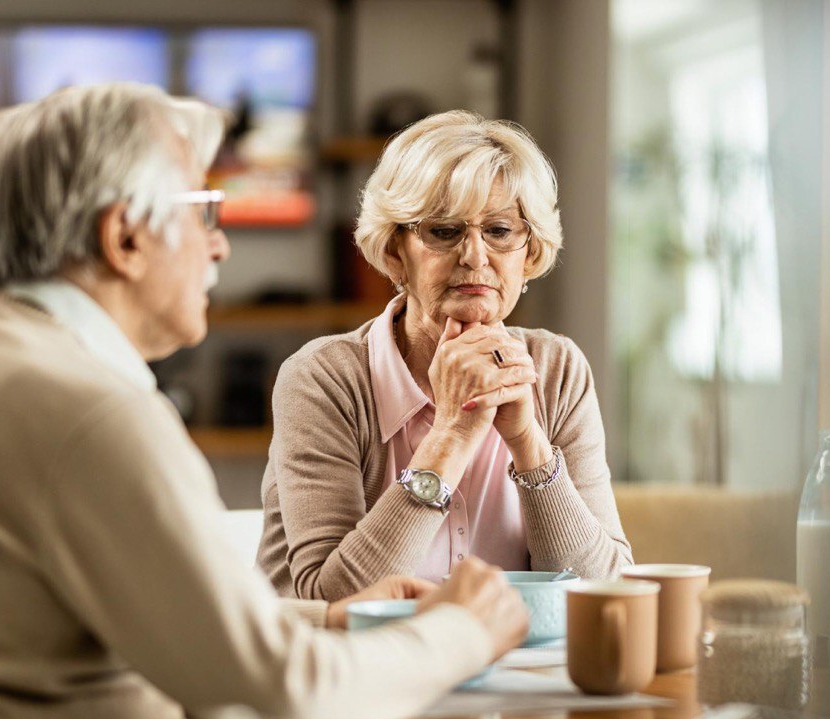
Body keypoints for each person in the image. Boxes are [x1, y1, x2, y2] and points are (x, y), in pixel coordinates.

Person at [0, 84, 527, 719]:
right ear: (125, 239)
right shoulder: (88, 410)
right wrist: (466, 629)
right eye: (205, 210)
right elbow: (282, 694)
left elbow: (191, 628)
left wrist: (333, 618)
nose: (221, 244)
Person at [260, 111, 633, 601]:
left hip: (517, 674)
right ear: (396, 252)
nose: (475, 256)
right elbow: (332, 604)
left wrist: (529, 446)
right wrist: (452, 436)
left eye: (500, 231)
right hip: (357, 674)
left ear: (530, 253)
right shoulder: (321, 378)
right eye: (444, 230)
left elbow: (606, 596)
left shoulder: (557, 369)